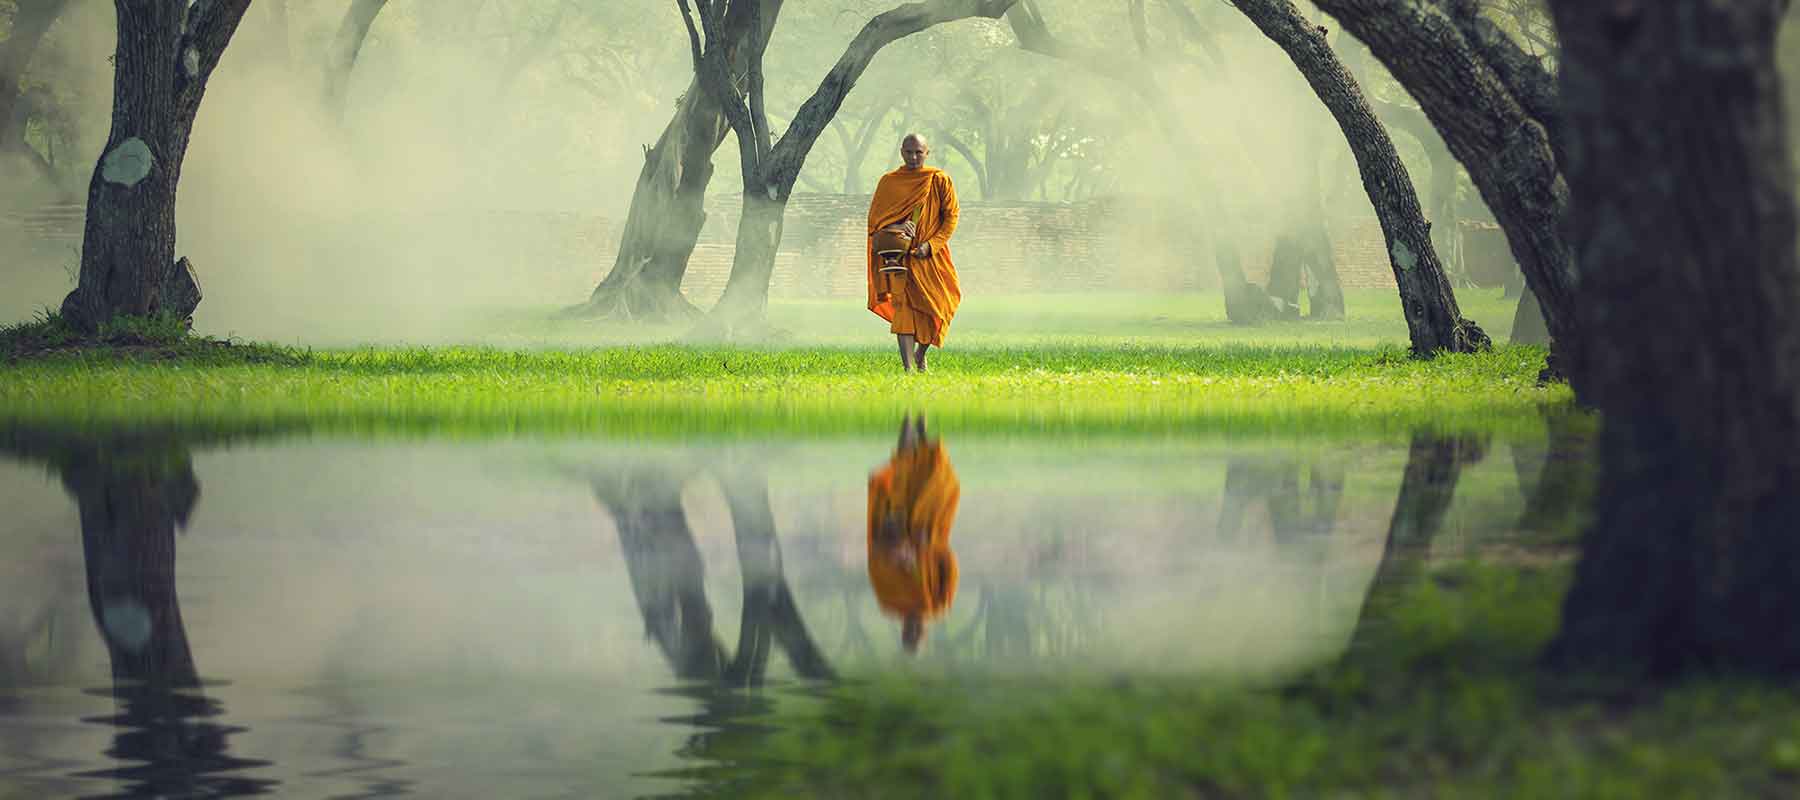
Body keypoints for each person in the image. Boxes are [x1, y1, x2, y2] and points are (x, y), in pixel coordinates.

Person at [866, 134, 963, 372]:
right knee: (904, 310)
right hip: (900, 257)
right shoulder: (889, 182)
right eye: (909, 152)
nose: (913, 157)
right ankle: (909, 368)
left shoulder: (939, 180)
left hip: (932, 256)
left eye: (918, 152)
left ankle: (920, 354)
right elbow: (875, 223)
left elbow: (951, 218)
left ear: (927, 153)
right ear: (901, 152)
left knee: (943, 304)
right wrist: (896, 227)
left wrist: (931, 246)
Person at [866, 414, 961, 653]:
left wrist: (891, 549)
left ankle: (909, 424)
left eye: (909, 634)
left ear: (902, 632)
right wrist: (930, 546)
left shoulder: (889, 603)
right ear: (925, 633)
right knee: (933, 479)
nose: (914, 630)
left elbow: (876, 563)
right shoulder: (939, 604)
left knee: (903, 477)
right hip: (928, 529)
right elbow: (949, 566)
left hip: (895, 529)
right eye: (917, 634)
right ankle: (921, 432)